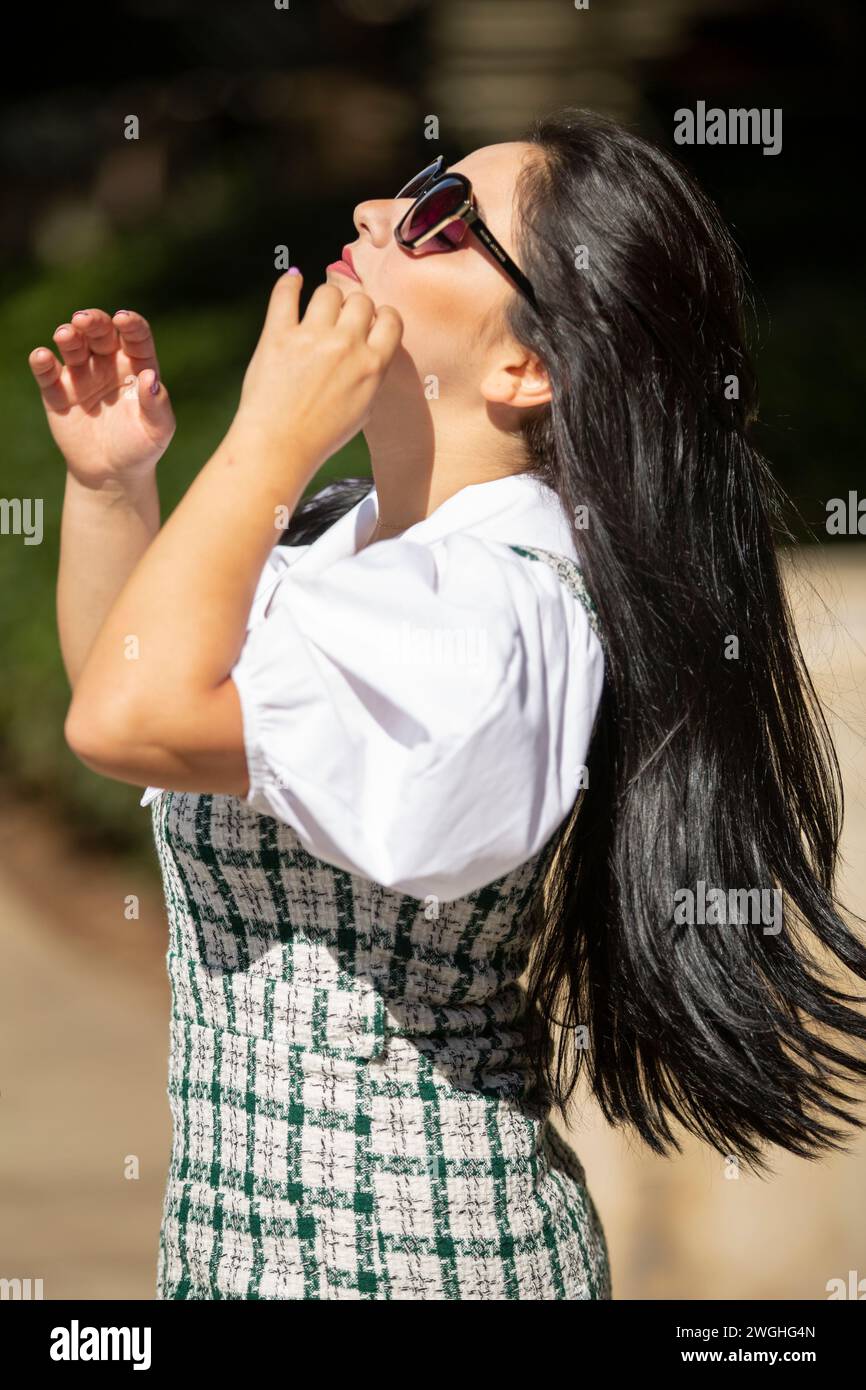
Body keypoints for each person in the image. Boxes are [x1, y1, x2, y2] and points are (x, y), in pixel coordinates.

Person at [32, 107, 866, 1301]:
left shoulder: (496, 619)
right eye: (409, 187)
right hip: (244, 1258)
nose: (375, 211)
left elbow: (129, 718)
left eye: (438, 220)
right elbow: (134, 706)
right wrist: (116, 487)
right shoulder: (337, 540)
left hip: (411, 1257)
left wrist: (266, 435)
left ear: (528, 367)